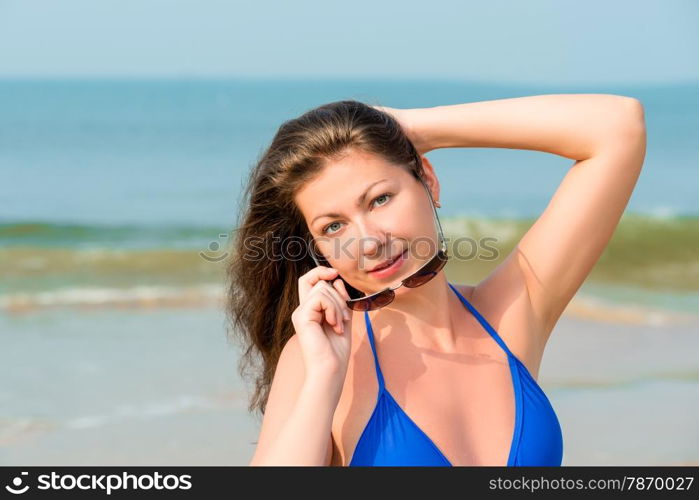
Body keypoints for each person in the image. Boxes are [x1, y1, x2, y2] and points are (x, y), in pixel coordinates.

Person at [226, 96, 646, 466]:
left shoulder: (511, 313)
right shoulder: (322, 357)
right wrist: (323, 378)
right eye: (334, 227)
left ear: (428, 179)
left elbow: (617, 126)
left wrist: (413, 127)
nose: (369, 241)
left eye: (380, 199)